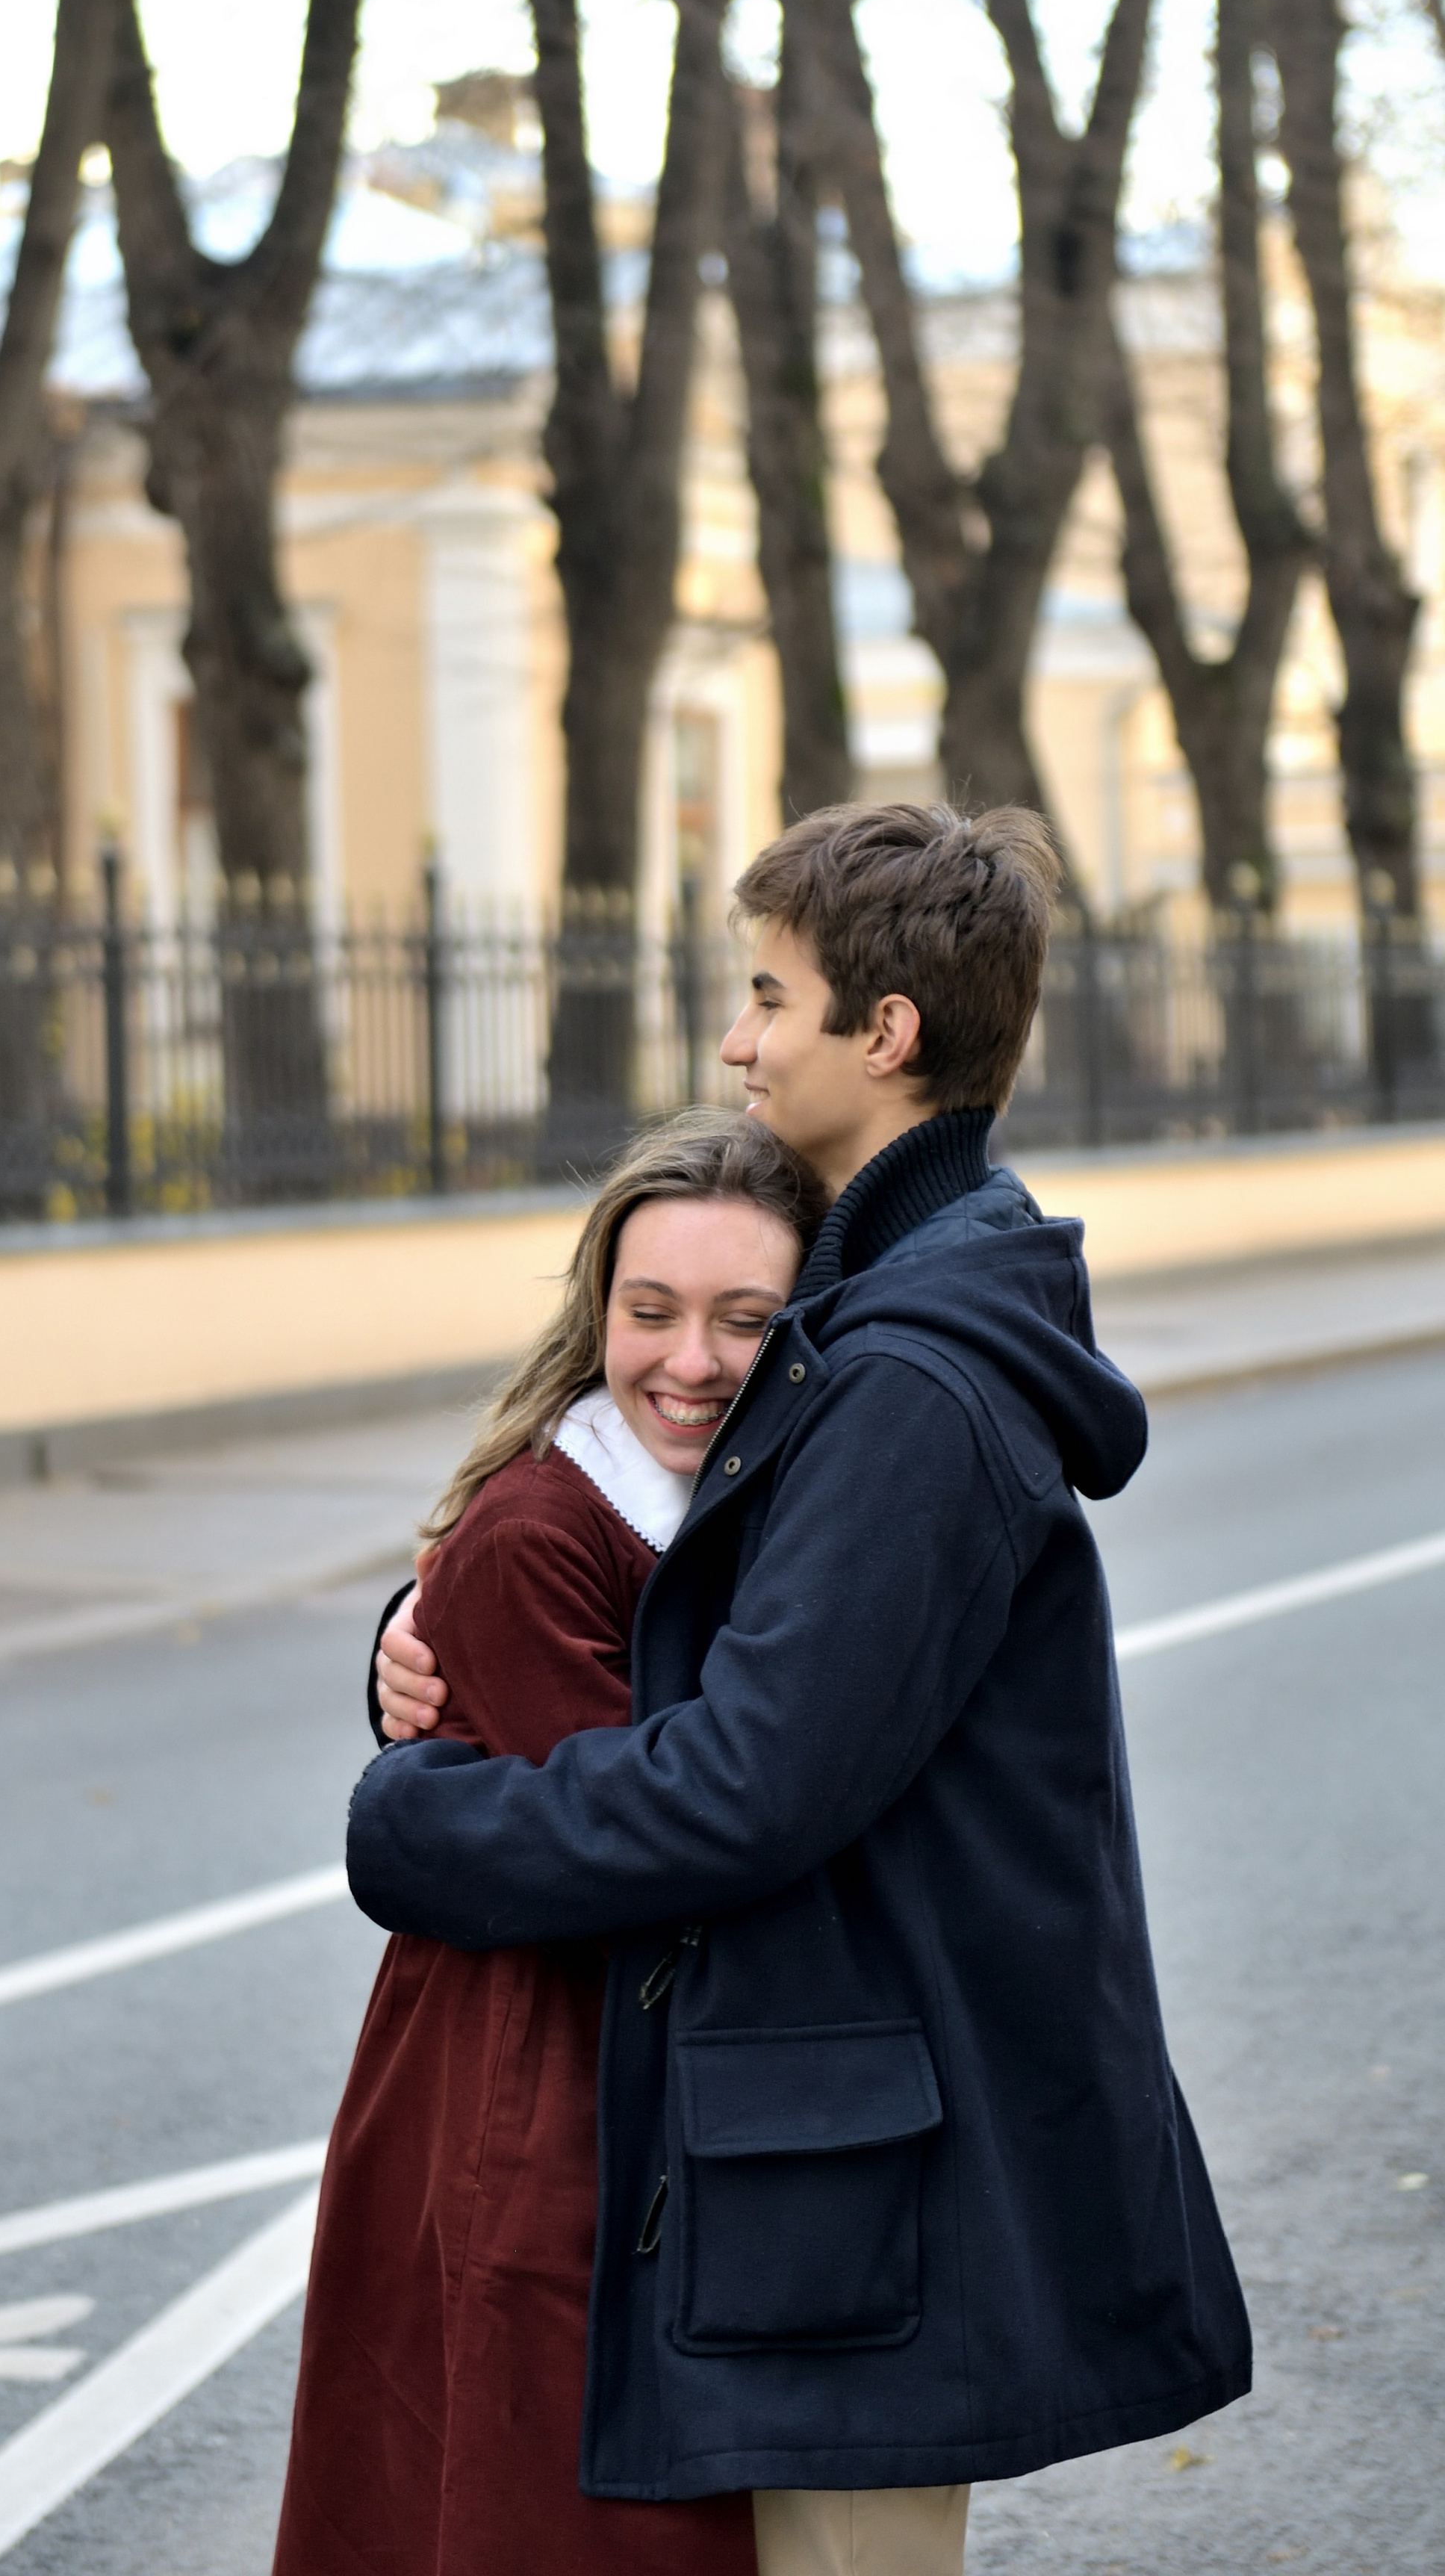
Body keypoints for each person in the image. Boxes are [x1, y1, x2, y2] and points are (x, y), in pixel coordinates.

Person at [357, 802, 1251, 2576]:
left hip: (862, 2167)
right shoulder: (877, 1309)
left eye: (768, 996)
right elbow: (699, 1603)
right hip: (835, 2136)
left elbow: (748, 1778)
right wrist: (425, 1636)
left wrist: (423, 1823)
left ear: (885, 1032)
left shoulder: (907, 1384)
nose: (735, 1041)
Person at [272, 1113, 824, 2576]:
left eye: (744, 1320)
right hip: (536, 2099)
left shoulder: (737, 1500)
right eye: (650, 1313)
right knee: (548, 2513)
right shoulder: (541, 1530)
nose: (690, 1361)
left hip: (622, 2077)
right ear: (596, 1314)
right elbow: (669, 1840)